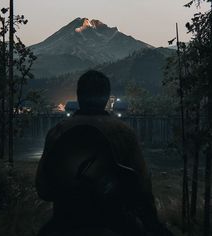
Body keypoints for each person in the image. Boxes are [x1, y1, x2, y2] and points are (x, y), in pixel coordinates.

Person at [36, 70, 172, 236]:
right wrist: (152, 224)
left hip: (66, 219)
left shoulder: (57, 131)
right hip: (115, 221)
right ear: (107, 97)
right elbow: (142, 187)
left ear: (78, 96)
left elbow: (43, 188)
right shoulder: (124, 132)